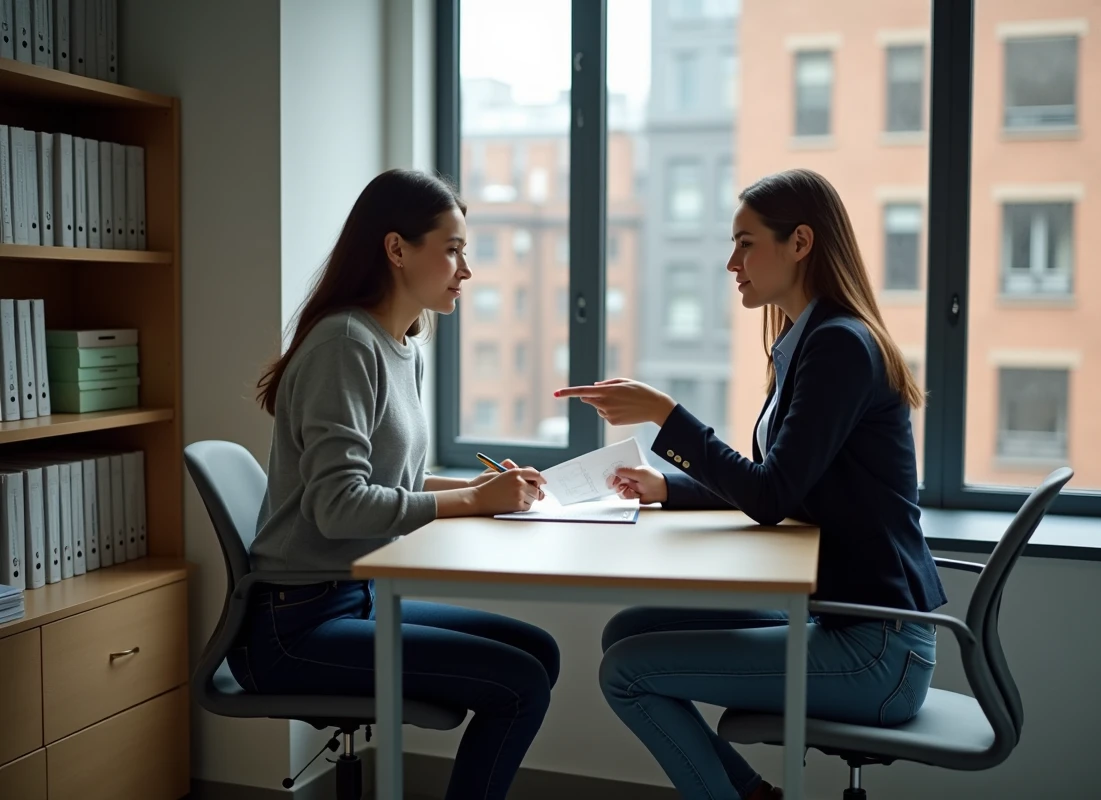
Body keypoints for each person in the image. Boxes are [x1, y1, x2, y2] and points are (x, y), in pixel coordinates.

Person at [555, 169, 947, 800]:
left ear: (799, 242)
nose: (730, 262)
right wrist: (668, 488)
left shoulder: (840, 346)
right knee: (625, 633)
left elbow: (770, 499)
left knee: (626, 672)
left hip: (878, 649)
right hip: (850, 620)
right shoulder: (808, 340)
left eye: (745, 243)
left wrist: (664, 413)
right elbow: (782, 482)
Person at [231, 169, 559, 800]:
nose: (466, 270)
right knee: (519, 683)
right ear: (397, 249)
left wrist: (484, 492)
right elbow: (338, 507)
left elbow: (396, 483)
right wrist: (470, 501)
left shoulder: (402, 344)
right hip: (295, 625)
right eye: (454, 249)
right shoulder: (344, 346)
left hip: (355, 598)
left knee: (538, 652)